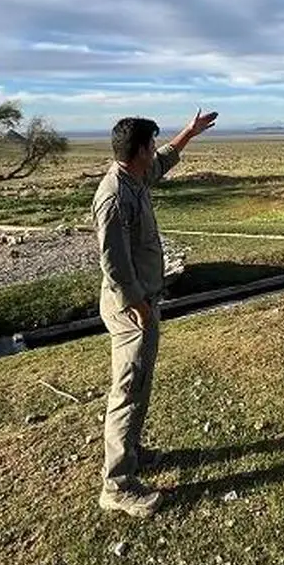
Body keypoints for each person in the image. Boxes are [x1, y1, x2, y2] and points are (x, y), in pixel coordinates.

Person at [94, 108, 218, 518]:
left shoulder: (134, 175)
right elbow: (113, 264)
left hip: (141, 303)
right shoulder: (114, 196)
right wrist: (140, 306)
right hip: (132, 309)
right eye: (152, 143)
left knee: (139, 383)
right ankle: (117, 485)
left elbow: (165, 160)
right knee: (127, 392)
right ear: (139, 150)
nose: (155, 149)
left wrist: (189, 133)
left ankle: (132, 452)